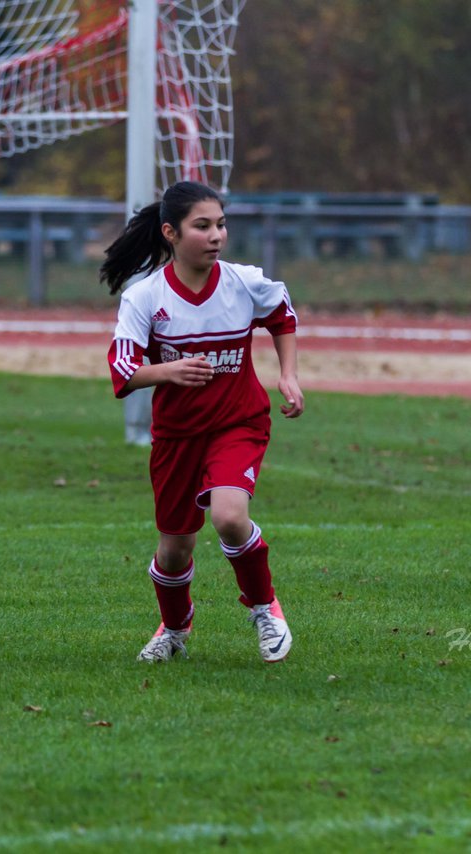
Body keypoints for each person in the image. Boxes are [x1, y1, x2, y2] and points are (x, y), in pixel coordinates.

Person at [100, 181, 304, 663]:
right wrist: (167, 370)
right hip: (176, 435)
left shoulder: (243, 282)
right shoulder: (144, 298)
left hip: (239, 421)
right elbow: (123, 371)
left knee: (230, 517)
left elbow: (282, 316)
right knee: (175, 549)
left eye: (221, 224)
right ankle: (174, 629)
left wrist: (288, 376)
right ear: (171, 232)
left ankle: (264, 607)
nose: (216, 235)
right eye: (203, 226)